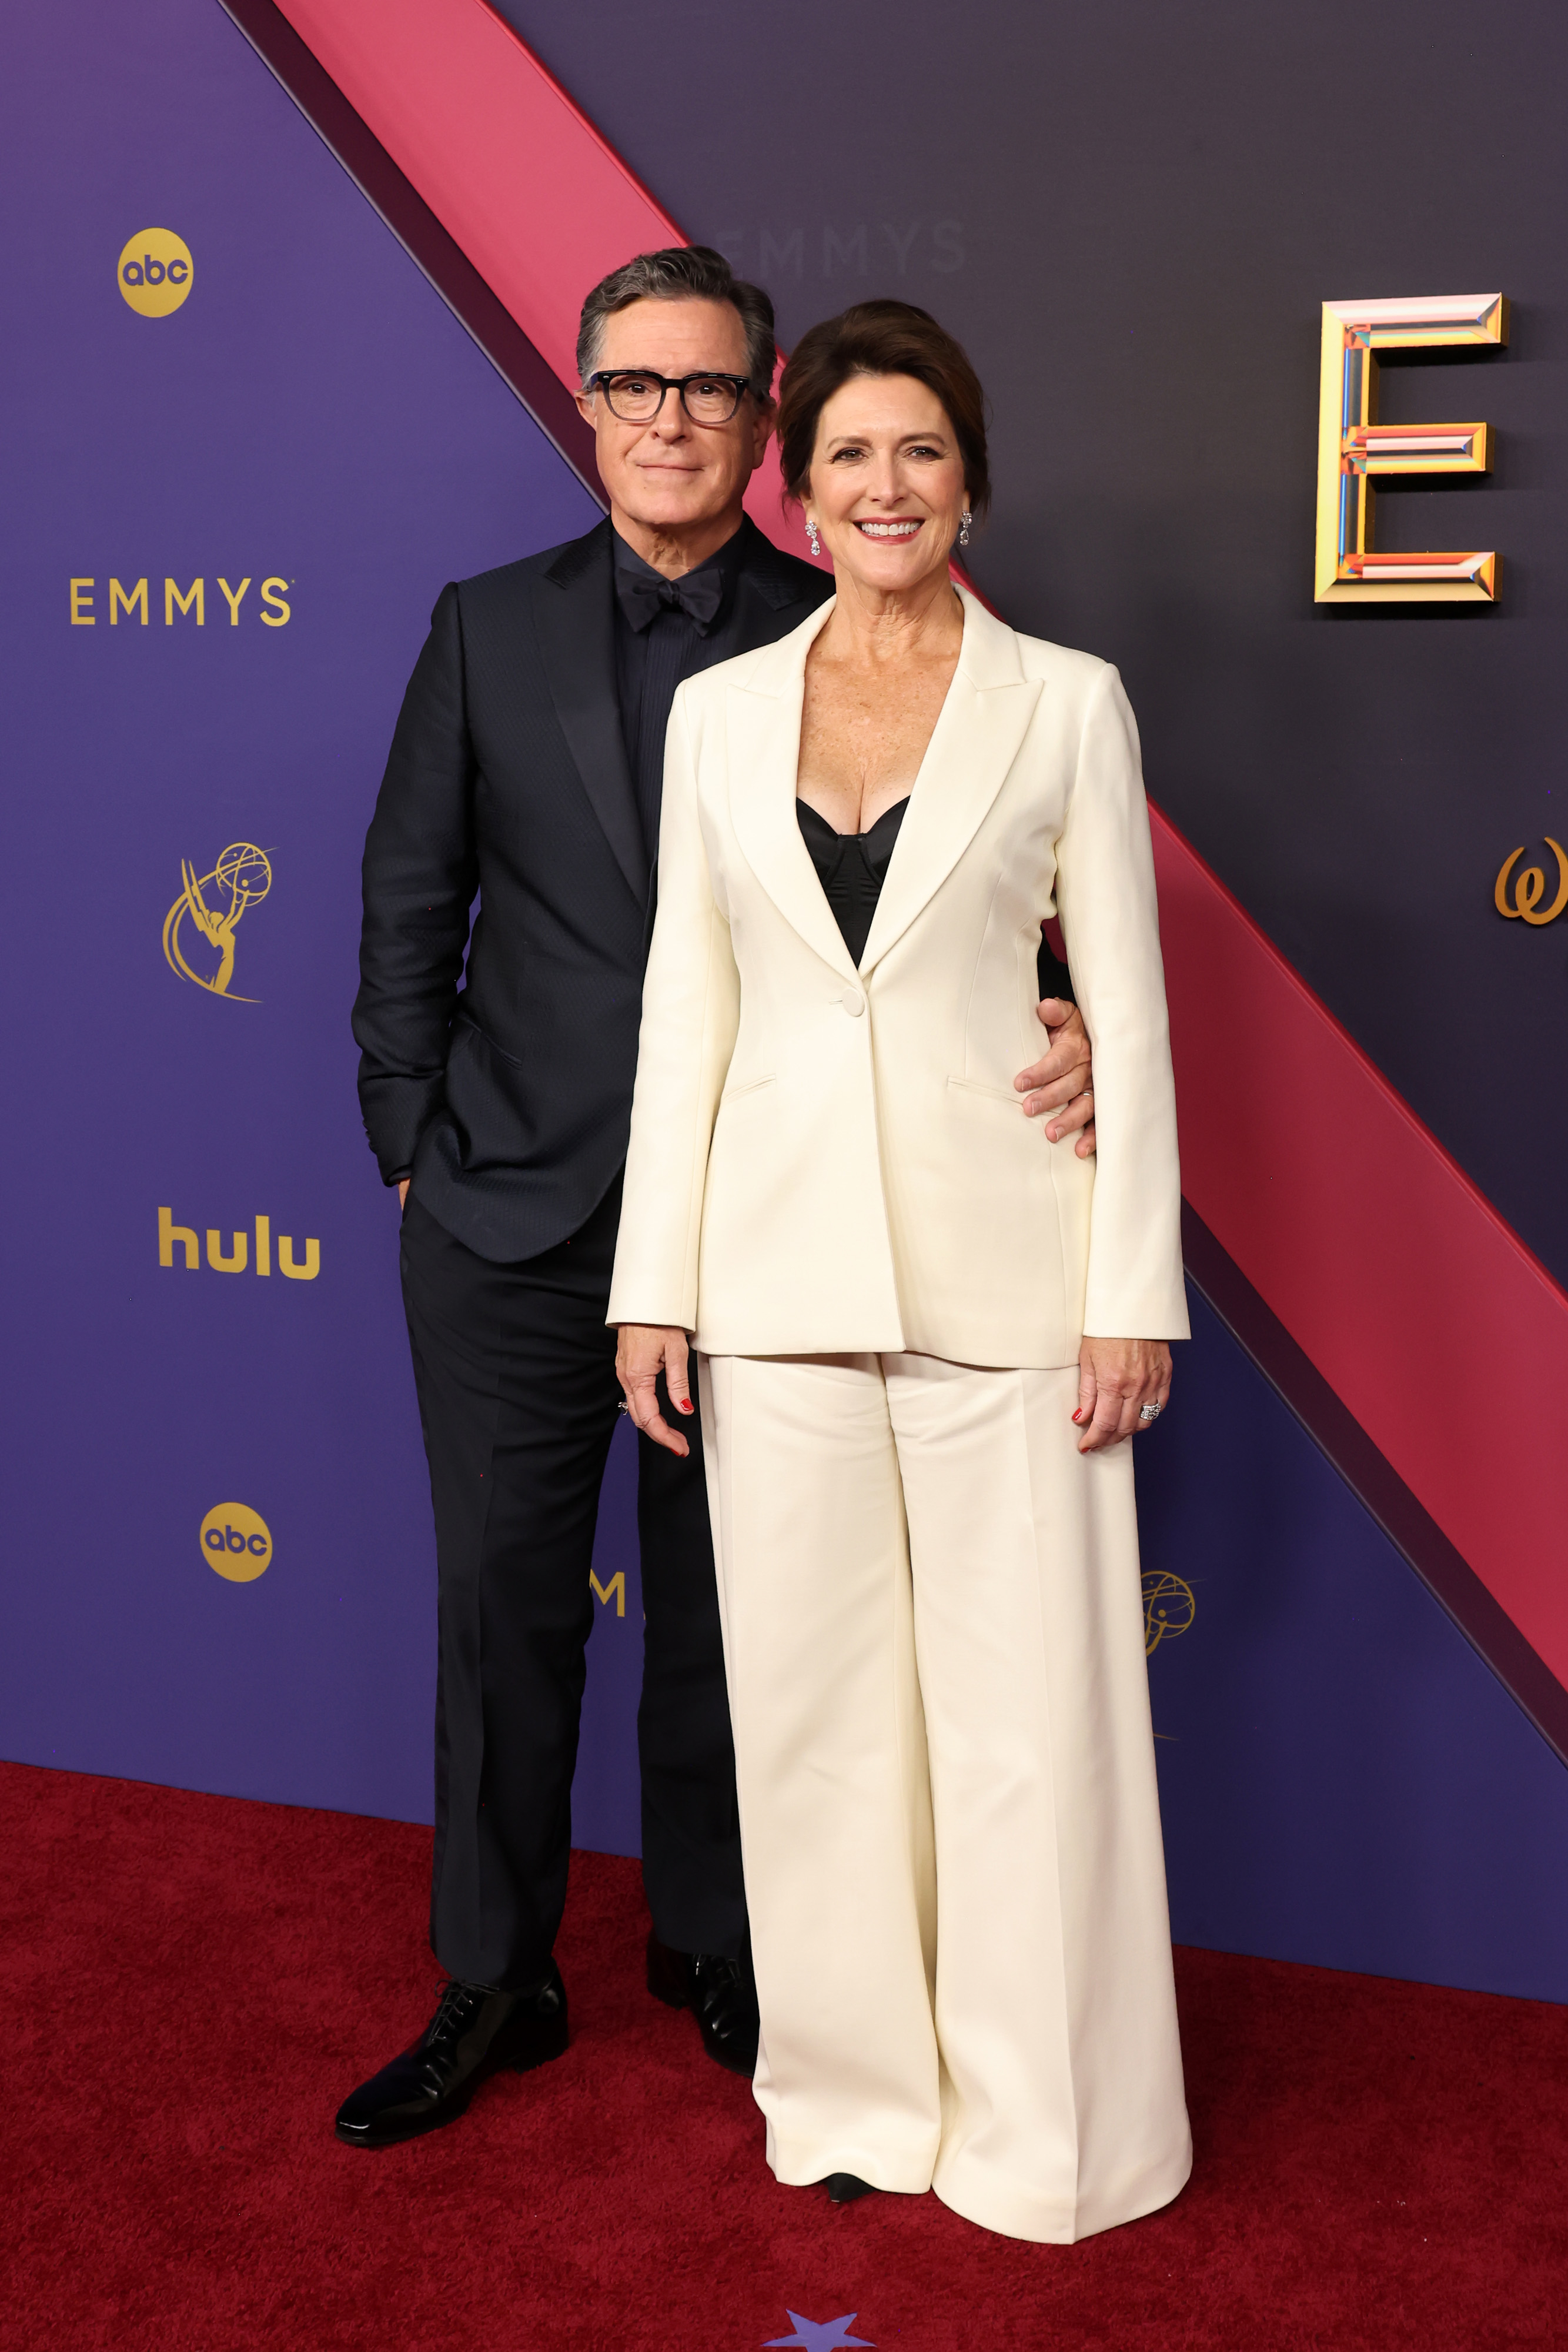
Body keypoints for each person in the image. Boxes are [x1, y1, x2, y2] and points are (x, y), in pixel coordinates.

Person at [339, 252, 1099, 2149]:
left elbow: (990, 895)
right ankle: (494, 1975)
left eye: (702, 388)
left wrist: (1070, 1011)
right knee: (501, 1612)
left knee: (739, 1616)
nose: (664, 419)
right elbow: (405, 909)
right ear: (581, 403)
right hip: (511, 1216)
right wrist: (414, 1140)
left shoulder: (840, 617)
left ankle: (726, 1943)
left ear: (765, 422)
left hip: (771, 1226)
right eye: (628, 385)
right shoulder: (480, 628)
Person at [611, 299, 1190, 2243]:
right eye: (848, 453)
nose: (883, 486)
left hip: (1010, 1285)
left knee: (1029, 1728)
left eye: (920, 452)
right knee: (812, 1720)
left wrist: (1131, 1288)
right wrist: (653, 1280)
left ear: (970, 482)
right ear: (798, 483)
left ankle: (1051, 2131)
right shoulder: (715, 714)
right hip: (770, 1292)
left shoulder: (1068, 701)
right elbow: (686, 1007)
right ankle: (853, 2094)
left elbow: (1127, 1007)